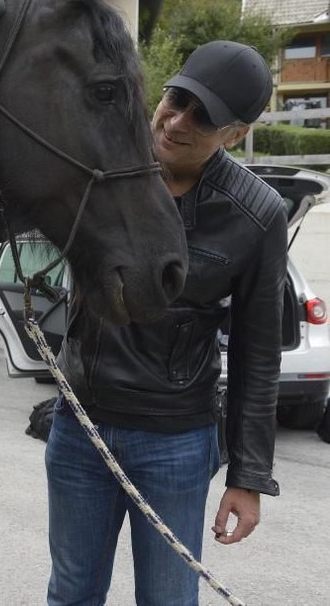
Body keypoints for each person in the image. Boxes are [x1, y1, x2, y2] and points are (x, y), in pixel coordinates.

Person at [44, 41, 286, 605]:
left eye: (204, 118)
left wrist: (248, 478)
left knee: (169, 598)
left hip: (175, 441)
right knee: (72, 593)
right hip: (80, 427)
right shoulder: (100, 165)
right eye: (176, 100)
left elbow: (258, 355)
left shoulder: (258, 215)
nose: (177, 122)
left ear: (235, 134)